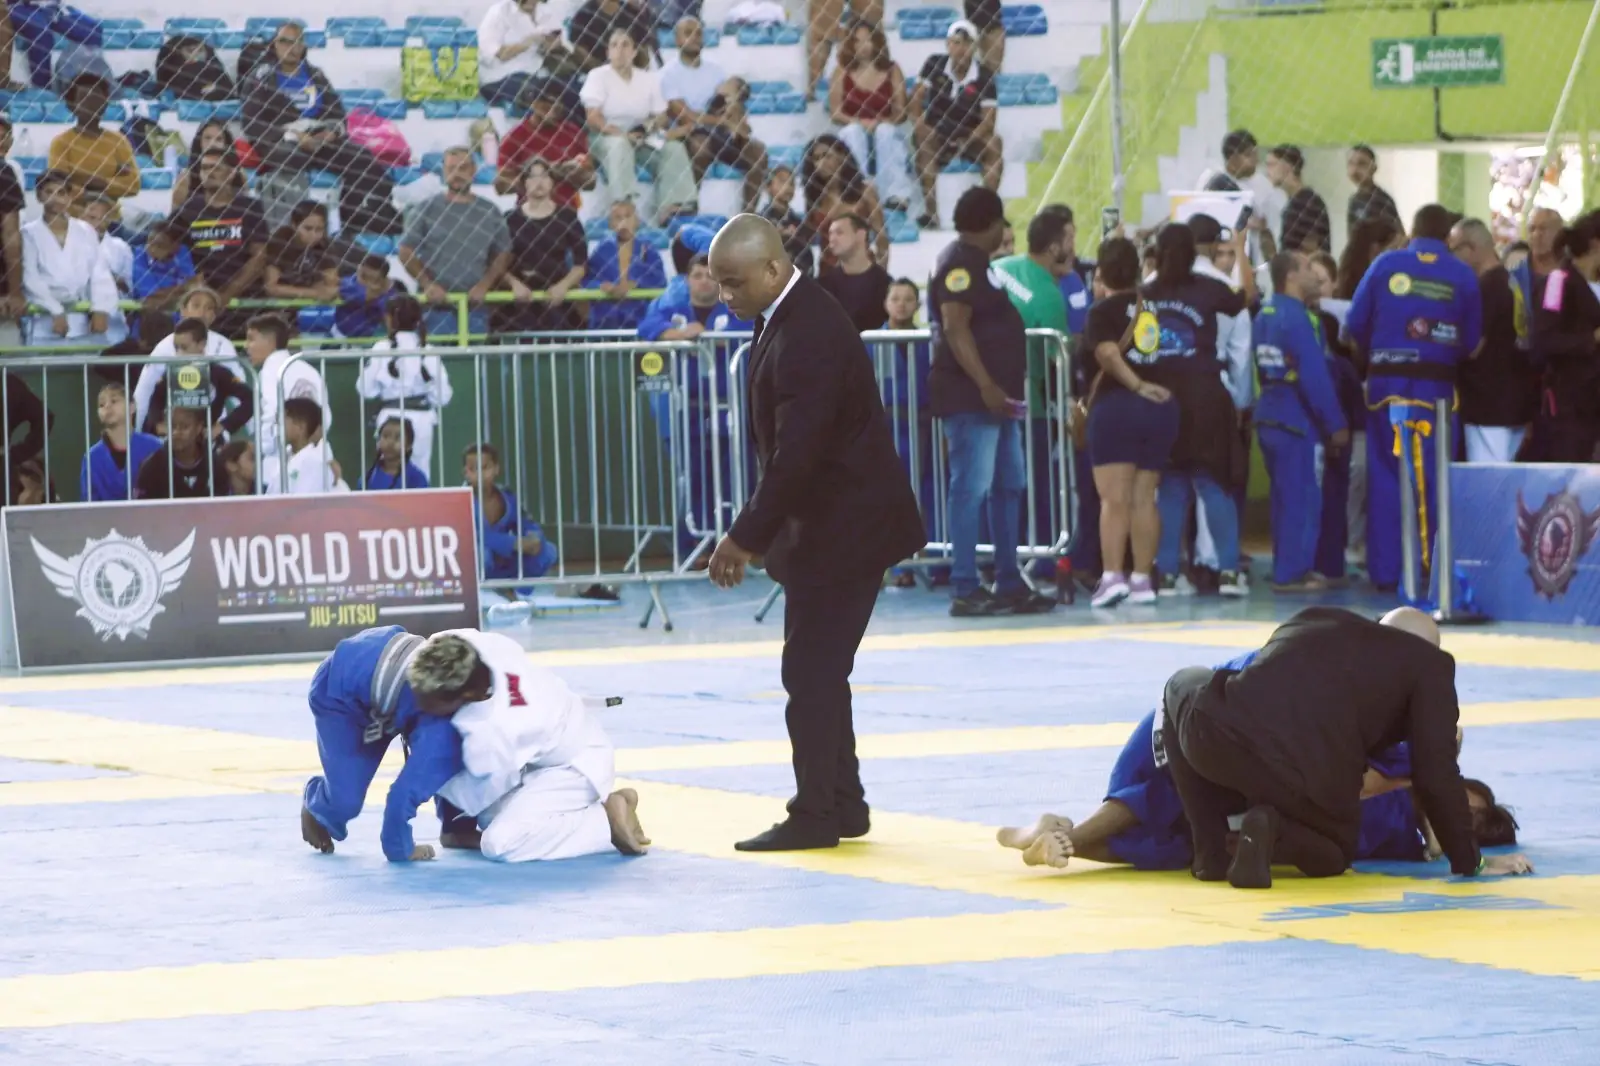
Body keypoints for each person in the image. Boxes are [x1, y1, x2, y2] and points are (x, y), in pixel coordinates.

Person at [705, 214, 925, 852]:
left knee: (810, 672)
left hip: (845, 529)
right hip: (833, 526)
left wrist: (746, 535)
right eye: (719, 283)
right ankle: (842, 804)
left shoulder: (807, 331)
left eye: (734, 282)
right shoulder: (788, 314)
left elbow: (797, 454)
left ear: (773, 268)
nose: (725, 295)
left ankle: (815, 814)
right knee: (820, 671)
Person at [998, 650, 1518, 873]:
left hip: (1243, 767)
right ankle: (1066, 834)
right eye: (1464, 800)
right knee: (1172, 794)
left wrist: (1465, 853)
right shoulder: (1399, 749)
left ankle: (1055, 834)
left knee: (1175, 847)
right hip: (1193, 716)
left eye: (1470, 819)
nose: (1457, 811)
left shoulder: (1403, 833)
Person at [1159, 605, 1534, 888]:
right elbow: (1435, 771)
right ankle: (1275, 829)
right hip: (1302, 780)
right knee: (1335, 852)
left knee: (1182, 682)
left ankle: (1209, 851)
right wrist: (1471, 861)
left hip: (1220, 737)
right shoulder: (1430, 666)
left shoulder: (1314, 617)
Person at [927, 188, 1054, 617]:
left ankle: (1008, 579)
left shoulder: (979, 263)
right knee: (970, 488)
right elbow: (955, 327)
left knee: (1008, 486)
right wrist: (985, 384)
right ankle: (965, 585)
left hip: (998, 401)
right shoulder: (959, 264)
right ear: (993, 223)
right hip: (972, 399)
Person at [1346, 204, 1482, 591]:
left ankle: (1386, 571)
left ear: (1412, 231)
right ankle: (1426, 569)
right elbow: (1471, 343)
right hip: (1435, 393)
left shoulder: (1385, 265)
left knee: (1385, 478)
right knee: (1431, 480)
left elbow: (1354, 324)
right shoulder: (1461, 274)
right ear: (1448, 236)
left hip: (1384, 390)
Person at [426, 628, 649, 861]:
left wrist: (421, 781)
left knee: (498, 842)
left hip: (575, 766)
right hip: (552, 743)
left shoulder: (504, 724)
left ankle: (604, 822)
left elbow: (477, 787)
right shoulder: (470, 647)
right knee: (489, 817)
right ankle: (593, 811)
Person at [299, 626, 482, 863]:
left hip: (394, 682)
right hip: (342, 700)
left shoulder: (471, 687)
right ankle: (318, 803)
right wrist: (400, 849)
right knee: (345, 802)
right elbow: (403, 793)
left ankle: (457, 827)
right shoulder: (438, 727)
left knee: (455, 756)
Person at [1142, 222, 1249, 597]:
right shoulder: (1209, 287)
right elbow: (1246, 298)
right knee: (1213, 483)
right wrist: (1241, 251)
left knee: (1170, 488)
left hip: (1160, 397)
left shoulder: (1145, 293)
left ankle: (1167, 575)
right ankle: (1229, 573)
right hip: (1205, 396)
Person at [1082, 237, 1178, 608]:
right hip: (1158, 409)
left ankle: (1111, 577)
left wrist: (1135, 384)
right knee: (1144, 497)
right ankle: (1141, 579)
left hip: (1116, 409)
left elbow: (1107, 353)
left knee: (1114, 499)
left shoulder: (1101, 311)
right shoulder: (1150, 308)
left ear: (1102, 272)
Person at [1254, 251, 1348, 592]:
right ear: (1291, 276)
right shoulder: (1299, 319)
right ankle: (1293, 573)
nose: (1314, 275)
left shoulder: (1264, 314)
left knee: (1283, 497)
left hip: (1270, 414)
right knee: (1302, 497)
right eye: (1307, 268)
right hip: (1297, 419)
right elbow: (1314, 376)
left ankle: (1285, 564)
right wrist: (1335, 424)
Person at [579, 29, 697, 222]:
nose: (619, 50)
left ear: (634, 52)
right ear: (608, 52)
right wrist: (622, 135)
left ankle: (674, 208)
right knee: (619, 146)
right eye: (614, 45)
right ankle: (624, 204)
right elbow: (593, 117)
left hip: (642, 136)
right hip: (607, 136)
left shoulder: (649, 79)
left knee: (673, 149)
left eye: (625, 45)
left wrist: (648, 127)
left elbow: (661, 116)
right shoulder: (598, 76)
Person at [1448, 217, 1539, 463]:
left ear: (1472, 248)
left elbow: (1473, 347)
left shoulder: (1486, 288)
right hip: (1513, 405)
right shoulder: (1510, 282)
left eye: (1453, 249)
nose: (1451, 257)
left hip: (1488, 407)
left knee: (1487, 481)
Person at [398, 147, 513, 341]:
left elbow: (503, 253)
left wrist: (485, 284)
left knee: (474, 357)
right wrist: (428, 284)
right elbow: (405, 251)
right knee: (437, 357)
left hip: (476, 306)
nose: (457, 174)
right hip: (435, 308)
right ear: (443, 171)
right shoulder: (425, 209)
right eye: (451, 168)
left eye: (463, 168)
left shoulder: (489, 211)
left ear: (473, 170)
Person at [910, 20, 1001, 230]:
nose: (961, 49)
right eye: (956, 43)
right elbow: (915, 100)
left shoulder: (984, 75)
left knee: (994, 144)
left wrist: (967, 140)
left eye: (967, 44)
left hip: (969, 135)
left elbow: (988, 120)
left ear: (975, 48)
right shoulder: (934, 64)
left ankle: (989, 213)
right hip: (937, 132)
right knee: (924, 142)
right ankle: (931, 213)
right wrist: (920, 125)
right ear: (948, 44)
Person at [1526, 210, 1600, 464]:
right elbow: (1544, 339)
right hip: (1570, 405)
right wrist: (1590, 339)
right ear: (1595, 243)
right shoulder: (1558, 281)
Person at [20, 169, 120, 347]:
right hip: (43, 318)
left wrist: (101, 308)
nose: (56, 199)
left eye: (61, 193)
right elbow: (30, 277)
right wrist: (55, 310)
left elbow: (99, 272)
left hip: (80, 319)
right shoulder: (28, 233)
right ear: (39, 196)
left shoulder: (85, 230)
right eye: (49, 192)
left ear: (69, 197)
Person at [359, 295, 454, 477]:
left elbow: (365, 389)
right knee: (420, 475)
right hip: (423, 420)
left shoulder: (381, 348)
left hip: (389, 420)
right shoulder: (428, 350)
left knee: (388, 473)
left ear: (389, 319)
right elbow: (444, 397)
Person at [246, 311, 330, 494]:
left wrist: (263, 448)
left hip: (277, 464)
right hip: (316, 457)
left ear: (269, 341)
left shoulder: (271, 371)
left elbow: (271, 416)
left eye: (251, 339)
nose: (246, 346)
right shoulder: (309, 370)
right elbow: (325, 419)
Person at [140, 316, 254, 445]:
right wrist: (157, 424)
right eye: (176, 348)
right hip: (175, 442)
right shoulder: (170, 373)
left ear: (201, 345)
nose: (179, 353)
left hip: (208, 442)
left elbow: (250, 399)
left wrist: (223, 426)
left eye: (184, 347)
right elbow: (156, 401)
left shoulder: (218, 373)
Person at [465, 442, 558, 593]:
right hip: (481, 561)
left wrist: (533, 537)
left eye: (485, 467)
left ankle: (517, 591)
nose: (480, 474)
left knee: (549, 551)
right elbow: (468, 536)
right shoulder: (460, 499)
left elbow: (525, 522)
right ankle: (482, 593)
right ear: (466, 472)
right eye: (473, 469)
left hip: (504, 560)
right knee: (482, 556)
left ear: (496, 469)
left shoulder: (506, 496)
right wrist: (512, 543)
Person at [47, 72, 139, 204]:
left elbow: (134, 185)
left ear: (105, 103)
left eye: (97, 99)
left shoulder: (118, 141)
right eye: (84, 99)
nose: (91, 105)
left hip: (110, 214)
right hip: (74, 214)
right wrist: (111, 183)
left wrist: (88, 181)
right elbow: (60, 187)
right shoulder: (61, 143)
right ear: (72, 106)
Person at [80, 381, 161, 502]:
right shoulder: (91, 458)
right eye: (101, 404)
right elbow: (88, 505)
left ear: (132, 407)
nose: (107, 406)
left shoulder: (155, 447)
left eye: (114, 401)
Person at [817, 214, 891, 334]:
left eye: (839, 233)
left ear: (861, 235)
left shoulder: (884, 284)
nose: (832, 239)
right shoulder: (823, 285)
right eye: (830, 234)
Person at [134, 404, 217, 500]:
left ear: (198, 428)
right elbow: (142, 507)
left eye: (184, 427)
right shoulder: (151, 467)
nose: (176, 432)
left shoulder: (215, 465)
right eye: (172, 426)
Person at [1266, 145, 1330, 254]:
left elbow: (1312, 248)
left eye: (1272, 165)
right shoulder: (1294, 202)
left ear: (1288, 166)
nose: (1267, 171)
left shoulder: (1307, 203)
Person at [282, 396, 346, 494]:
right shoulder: (286, 457)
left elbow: (302, 500)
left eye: (283, 420)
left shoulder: (315, 464)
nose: (278, 425)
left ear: (300, 427)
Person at [1345, 145, 1402, 234]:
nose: (1355, 170)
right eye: (1351, 163)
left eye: (1362, 164)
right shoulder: (1354, 200)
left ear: (1374, 168)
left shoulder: (1382, 200)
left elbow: (1399, 235)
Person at [363, 416, 430, 491]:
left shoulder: (417, 478)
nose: (390, 442)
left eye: (398, 438)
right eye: (385, 436)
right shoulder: (368, 477)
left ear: (409, 445)